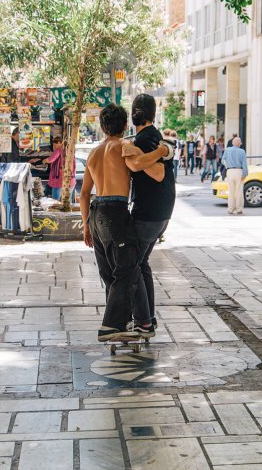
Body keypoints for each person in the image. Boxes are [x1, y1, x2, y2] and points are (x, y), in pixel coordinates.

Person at [80, 103, 171, 342]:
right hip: (115, 213)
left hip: (96, 213)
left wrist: (85, 225)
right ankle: (114, 325)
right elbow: (137, 165)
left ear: (102, 126)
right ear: (124, 126)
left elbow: (83, 194)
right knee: (128, 269)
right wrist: (161, 152)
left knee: (109, 271)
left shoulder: (93, 152)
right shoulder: (123, 145)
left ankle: (129, 320)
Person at [122, 94, 176, 330]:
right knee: (141, 263)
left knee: (132, 265)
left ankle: (143, 321)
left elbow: (158, 173)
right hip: (160, 210)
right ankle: (147, 318)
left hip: (149, 213)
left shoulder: (145, 139)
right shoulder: (152, 137)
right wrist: (162, 150)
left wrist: (138, 156)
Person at [42, 137, 76, 201]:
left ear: (60, 143)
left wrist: (43, 161)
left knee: (55, 201)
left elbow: (50, 160)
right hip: (71, 179)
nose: (54, 147)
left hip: (59, 181)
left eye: (55, 145)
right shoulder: (70, 150)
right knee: (68, 201)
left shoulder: (59, 150)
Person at [222, 136, 248, 214]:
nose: (241, 143)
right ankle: (239, 209)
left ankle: (230, 209)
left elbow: (223, 160)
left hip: (230, 171)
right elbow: (244, 164)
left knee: (231, 191)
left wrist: (227, 167)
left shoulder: (227, 150)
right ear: (239, 143)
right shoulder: (242, 151)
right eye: (240, 142)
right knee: (239, 191)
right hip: (239, 171)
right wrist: (245, 173)